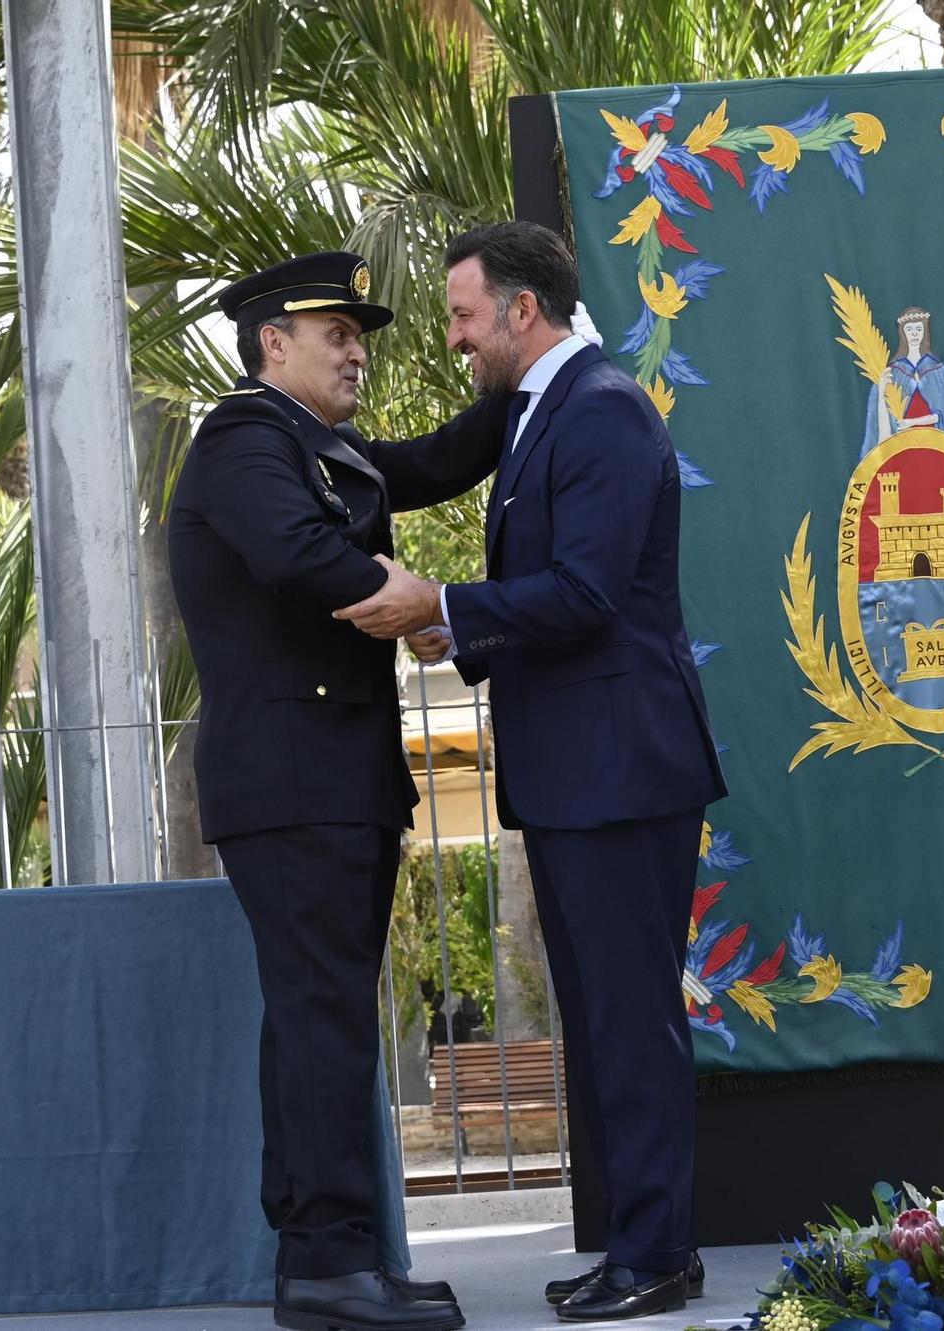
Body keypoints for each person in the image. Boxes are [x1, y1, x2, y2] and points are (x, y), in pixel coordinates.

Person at [334, 222, 727, 1322]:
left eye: (462, 314)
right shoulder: (541, 406)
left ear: (520, 310)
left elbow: (587, 591)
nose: (452, 336)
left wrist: (445, 605)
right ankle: (640, 1248)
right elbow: (429, 476)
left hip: (622, 769)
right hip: (582, 772)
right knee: (605, 1014)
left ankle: (653, 1255)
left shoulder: (597, 410)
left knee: (632, 1012)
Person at [166, 250, 513, 1331]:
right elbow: (296, 550)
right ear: (273, 341)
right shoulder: (243, 437)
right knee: (320, 1022)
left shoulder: (321, 445)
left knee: (324, 1023)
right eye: (337, 332)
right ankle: (324, 1264)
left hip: (335, 776)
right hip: (291, 779)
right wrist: (409, 596)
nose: (359, 348)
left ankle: (336, 1251)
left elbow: (430, 461)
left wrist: (529, 376)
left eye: (360, 333)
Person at [863, 306, 944, 455]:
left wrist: (911, 423)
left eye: (919, 329)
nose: (914, 334)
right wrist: (882, 388)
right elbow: (882, 429)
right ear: (903, 332)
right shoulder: (894, 373)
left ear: (925, 332)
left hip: (936, 448)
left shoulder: (940, 372)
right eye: (909, 329)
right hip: (902, 451)